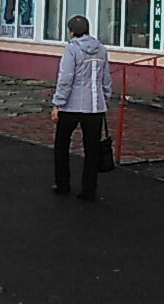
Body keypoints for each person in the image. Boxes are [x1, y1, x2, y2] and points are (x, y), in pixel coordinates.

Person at [51, 15, 111, 202]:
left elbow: (66, 78)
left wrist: (58, 103)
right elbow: (106, 79)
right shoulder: (102, 50)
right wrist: (105, 100)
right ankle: (89, 190)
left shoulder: (72, 49)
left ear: (71, 32)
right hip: (95, 107)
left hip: (71, 105)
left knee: (61, 144)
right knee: (92, 149)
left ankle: (62, 185)